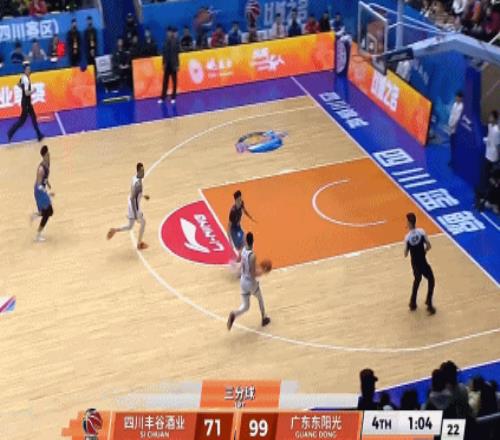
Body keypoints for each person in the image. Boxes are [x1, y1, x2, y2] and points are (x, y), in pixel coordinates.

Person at [227, 232, 271, 331]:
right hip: (250, 283)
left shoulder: (243, 251)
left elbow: (243, 264)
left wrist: (237, 269)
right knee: (260, 298)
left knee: (245, 306)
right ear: (253, 242)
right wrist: (262, 272)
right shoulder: (252, 255)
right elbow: (252, 274)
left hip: (242, 281)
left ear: (246, 241)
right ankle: (264, 318)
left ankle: (234, 314)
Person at [107, 162, 150, 251]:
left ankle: (115, 230)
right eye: (141, 171)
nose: (143, 172)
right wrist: (135, 214)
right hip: (134, 206)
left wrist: (143, 196)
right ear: (138, 171)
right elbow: (133, 197)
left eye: (143, 170)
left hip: (132, 205)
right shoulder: (138, 184)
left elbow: (135, 194)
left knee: (130, 226)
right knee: (143, 222)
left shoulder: (135, 178)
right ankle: (139, 244)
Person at [404, 212, 436, 314]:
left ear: (409, 223)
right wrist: (423, 252)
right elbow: (429, 246)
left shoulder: (407, 237)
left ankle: (412, 303)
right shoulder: (421, 232)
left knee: (417, 279)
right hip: (423, 262)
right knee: (431, 279)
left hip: (415, 264)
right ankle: (429, 302)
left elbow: (405, 254)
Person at [7, 62, 44, 143]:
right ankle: (10, 133)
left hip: (27, 102)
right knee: (22, 121)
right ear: (25, 70)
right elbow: (27, 93)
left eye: (29, 69)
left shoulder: (23, 77)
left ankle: (39, 135)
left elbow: (18, 84)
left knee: (33, 117)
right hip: (26, 103)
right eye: (28, 69)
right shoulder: (26, 80)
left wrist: (23, 88)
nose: (29, 70)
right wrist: (33, 91)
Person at [32, 145, 54, 242]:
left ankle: (36, 215)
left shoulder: (47, 163)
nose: (49, 155)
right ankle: (38, 235)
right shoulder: (41, 169)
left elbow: (45, 177)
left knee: (49, 212)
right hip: (39, 192)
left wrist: (48, 183)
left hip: (42, 190)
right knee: (48, 212)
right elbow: (39, 185)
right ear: (44, 155)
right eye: (47, 154)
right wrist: (47, 193)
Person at [478, 110, 499, 197]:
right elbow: (489, 137)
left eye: (491, 117)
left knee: (489, 174)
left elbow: (497, 145)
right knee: (485, 173)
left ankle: (488, 192)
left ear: (495, 119)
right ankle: (484, 189)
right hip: (488, 152)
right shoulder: (490, 126)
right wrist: (486, 140)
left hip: (493, 156)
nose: (489, 118)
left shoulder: (497, 131)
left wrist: (498, 158)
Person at [158, 27, 180, 105]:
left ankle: (173, 97)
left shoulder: (176, 41)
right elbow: (164, 54)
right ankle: (163, 97)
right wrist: (163, 63)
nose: (169, 34)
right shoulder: (165, 41)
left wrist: (177, 65)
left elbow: (177, 54)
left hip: (173, 64)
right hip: (167, 65)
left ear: (172, 33)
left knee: (174, 82)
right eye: (167, 32)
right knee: (165, 82)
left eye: (170, 32)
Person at [448, 91, 464, 167]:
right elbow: (452, 114)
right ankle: (453, 159)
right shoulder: (454, 104)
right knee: (452, 145)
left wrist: (453, 126)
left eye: (457, 97)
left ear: (461, 98)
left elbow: (458, 119)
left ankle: (456, 161)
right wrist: (449, 123)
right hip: (451, 126)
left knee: (455, 145)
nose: (456, 98)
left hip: (455, 129)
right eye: (456, 96)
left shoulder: (461, 107)